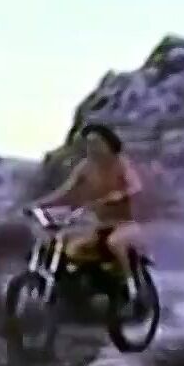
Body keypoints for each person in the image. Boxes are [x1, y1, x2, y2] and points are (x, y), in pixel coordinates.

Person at [31, 122, 146, 309]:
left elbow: (136, 186)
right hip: (98, 225)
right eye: (89, 143)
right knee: (72, 249)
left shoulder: (120, 162)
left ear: (108, 142)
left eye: (97, 142)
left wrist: (118, 195)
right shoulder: (85, 167)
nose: (92, 147)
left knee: (115, 243)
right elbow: (66, 191)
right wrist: (41, 204)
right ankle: (82, 292)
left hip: (123, 224)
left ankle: (133, 290)